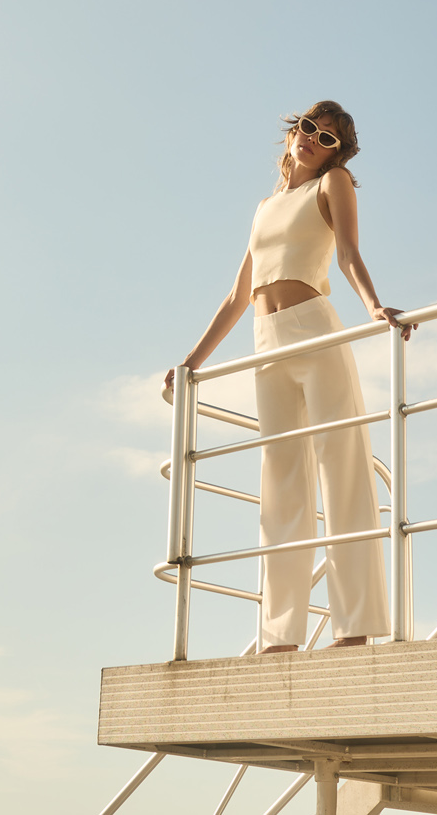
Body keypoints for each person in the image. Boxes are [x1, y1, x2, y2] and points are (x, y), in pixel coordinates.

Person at [167, 101, 410, 653]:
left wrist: (373, 307)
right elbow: (237, 296)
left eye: (327, 139)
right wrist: (191, 363)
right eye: (307, 128)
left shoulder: (332, 184)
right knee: (280, 490)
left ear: (337, 154)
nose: (312, 140)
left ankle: (354, 630)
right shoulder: (264, 207)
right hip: (266, 344)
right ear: (291, 132)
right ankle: (279, 637)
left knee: (342, 474)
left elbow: (348, 254)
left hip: (314, 331)